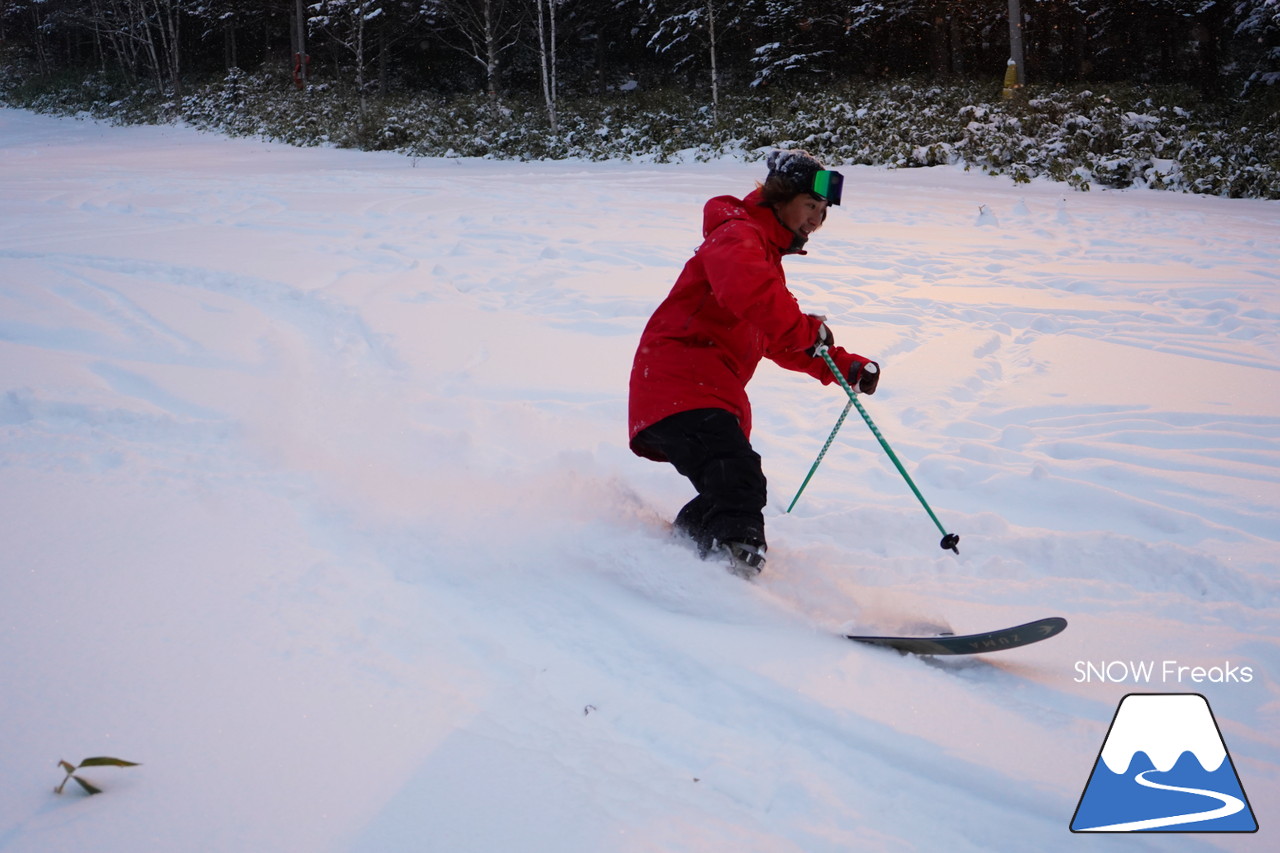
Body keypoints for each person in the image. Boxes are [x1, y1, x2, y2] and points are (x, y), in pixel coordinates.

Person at [628, 149, 881, 577]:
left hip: (697, 390)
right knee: (738, 478)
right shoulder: (736, 236)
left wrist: (843, 366)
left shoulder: (762, 257)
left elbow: (776, 335)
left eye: (822, 212)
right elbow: (753, 298)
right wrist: (806, 329)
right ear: (779, 199)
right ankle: (733, 571)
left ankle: (680, 562)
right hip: (679, 384)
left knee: (724, 489)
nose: (815, 220)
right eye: (809, 206)